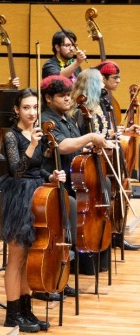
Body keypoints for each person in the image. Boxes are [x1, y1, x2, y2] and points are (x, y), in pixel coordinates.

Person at [0, 89, 66, 332]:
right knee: (16, 259)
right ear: (16, 110)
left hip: (35, 195)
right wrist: (33, 145)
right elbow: (17, 170)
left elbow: (36, 170)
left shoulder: (39, 134)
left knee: (27, 259)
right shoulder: (11, 137)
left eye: (35, 107)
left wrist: (52, 175)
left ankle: (26, 311)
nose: (32, 112)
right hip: (17, 197)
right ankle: (12, 315)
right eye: (26, 107)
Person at [41, 74, 112, 294]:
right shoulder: (47, 120)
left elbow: (75, 146)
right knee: (64, 227)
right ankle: (54, 277)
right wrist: (90, 136)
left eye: (68, 96)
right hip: (53, 181)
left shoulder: (67, 118)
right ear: (48, 98)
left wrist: (89, 148)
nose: (67, 100)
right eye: (61, 96)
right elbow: (62, 146)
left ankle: (65, 275)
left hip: (71, 178)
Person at [94, 60, 140, 250]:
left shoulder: (107, 100)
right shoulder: (98, 101)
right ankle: (111, 234)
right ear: (102, 79)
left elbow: (110, 130)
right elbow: (102, 132)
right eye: (115, 77)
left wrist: (125, 129)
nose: (119, 80)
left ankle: (117, 233)